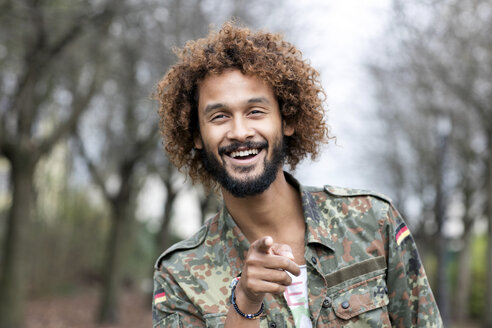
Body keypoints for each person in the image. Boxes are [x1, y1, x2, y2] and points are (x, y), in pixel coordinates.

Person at [152, 22, 442, 328]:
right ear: (196, 134)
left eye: (255, 111)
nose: (239, 132)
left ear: (287, 120)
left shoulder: (374, 222)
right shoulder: (179, 275)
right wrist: (245, 302)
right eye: (219, 116)